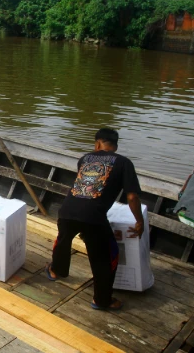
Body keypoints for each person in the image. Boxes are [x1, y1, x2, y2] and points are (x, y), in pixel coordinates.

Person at [46, 128, 144, 311]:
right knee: (106, 257)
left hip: (66, 210)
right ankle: (102, 300)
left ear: (97, 143)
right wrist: (140, 221)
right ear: (115, 145)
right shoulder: (124, 162)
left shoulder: (85, 159)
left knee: (63, 240)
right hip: (93, 217)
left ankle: (56, 271)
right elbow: (132, 197)